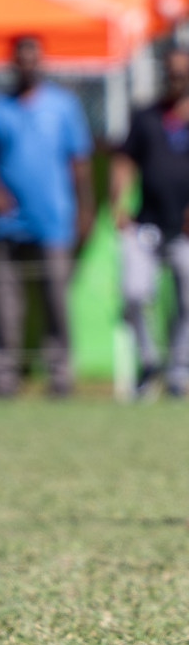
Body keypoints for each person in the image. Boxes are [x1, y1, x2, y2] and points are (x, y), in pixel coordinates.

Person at [0, 36, 94, 397]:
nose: (27, 65)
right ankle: (2, 379)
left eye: (33, 58)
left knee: (56, 300)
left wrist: (84, 208)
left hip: (53, 219)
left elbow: (79, 162)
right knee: (4, 305)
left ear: (42, 62)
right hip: (6, 223)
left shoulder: (63, 105)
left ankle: (60, 376)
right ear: (12, 64)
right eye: (20, 59)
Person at [111, 49, 189, 397]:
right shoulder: (146, 116)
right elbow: (124, 160)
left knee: (187, 300)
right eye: (171, 73)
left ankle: (178, 369)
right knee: (134, 292)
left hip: (185, 229)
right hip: (147, 223)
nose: (177, 80)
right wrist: (118, 202)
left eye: (182, 74)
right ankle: (149, 362)